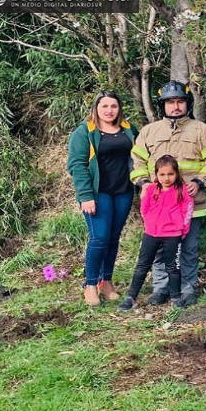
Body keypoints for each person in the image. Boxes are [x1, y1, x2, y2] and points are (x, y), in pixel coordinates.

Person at [130, 81, 206, 307]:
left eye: (180, 102)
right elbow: (137, 160)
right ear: (163, 105)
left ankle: (188, 288)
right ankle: (161, 288)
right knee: (159, 250)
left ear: (187, 103)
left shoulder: (202, 130)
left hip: (190, 205)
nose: (176, 106)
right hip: (159, 208)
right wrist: (143, 183)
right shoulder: (149, 131)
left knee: (189, 249)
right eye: (171, 102)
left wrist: (199, 181)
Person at [67, 91, 135, 307]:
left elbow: (141, 155)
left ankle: (106, 282)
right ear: (96, 108)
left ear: (119, 108)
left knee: (113, 238)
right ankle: (90, 285)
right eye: (104, 106)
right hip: (98, 194)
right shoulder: (85, 132)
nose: (109, 110)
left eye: (113, 106)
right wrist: (86, 196)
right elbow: (77, 165)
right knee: (99, 238)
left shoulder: (128, 129)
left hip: (123, 192)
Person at [119, 155, 194, 310]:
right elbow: (144, 208)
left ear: (176, 174)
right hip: (151, 234)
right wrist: (150, 224)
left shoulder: (182, 190)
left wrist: (182, 230)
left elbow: (187, 211)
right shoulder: (151, 189)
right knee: (142, 265)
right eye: (162, 174)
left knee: (172, 266)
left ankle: (175, 298)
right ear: (156, 175)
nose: (166, 178)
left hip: (173, 235)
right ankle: (131, 297)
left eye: (170, 174)